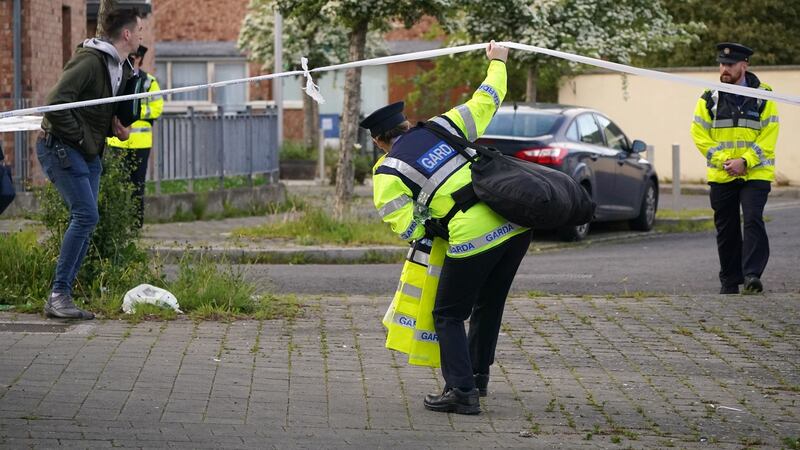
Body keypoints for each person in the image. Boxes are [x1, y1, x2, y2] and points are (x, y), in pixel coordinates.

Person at [361, 41, 531, 415]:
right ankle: (477, 378)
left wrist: (436, 222)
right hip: (515, 224)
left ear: (378, 141)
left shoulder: (387, 172)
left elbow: (408, 227)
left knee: (449, 313)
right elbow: (489, 97)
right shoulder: (445, 125)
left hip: (474, 236)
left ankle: (461, 391)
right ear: (407, 123)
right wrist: (498, 61)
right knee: (488, 302)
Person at [37, 8, 143, 319]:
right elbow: (55, 104)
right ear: (126, 34)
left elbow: (94, 109)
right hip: (60, 147)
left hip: (89, 152)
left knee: (88, 219)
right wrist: (85, 138)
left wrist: (114, 126)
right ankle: (58, 295)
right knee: (85, 215)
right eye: (139, 30)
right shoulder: (89, 60)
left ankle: (62, 295)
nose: (141, 36)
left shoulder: (120, 67)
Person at [690, 42, 779, 295]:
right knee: (726, 227)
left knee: (752, 219)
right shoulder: (710, 96)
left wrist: (746, 161)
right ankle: (729, 281)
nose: (724, 69)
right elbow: (699, 134)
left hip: (755, 172)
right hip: (722, 173)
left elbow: (769, 135)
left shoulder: (765, 94)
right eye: (721, 64)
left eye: (729, 65)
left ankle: (752, 275)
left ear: (744, 65)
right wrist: (726, 161)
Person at [107, 44, 163, 227]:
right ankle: (118, 223)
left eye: (133, 57)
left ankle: (136, 224)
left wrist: (135, 111)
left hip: (140, 143)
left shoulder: (149, 82)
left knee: (137, 184)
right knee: (116, 184)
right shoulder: (118, 77)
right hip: (117, 141)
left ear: (139, 58)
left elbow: (157, 108)